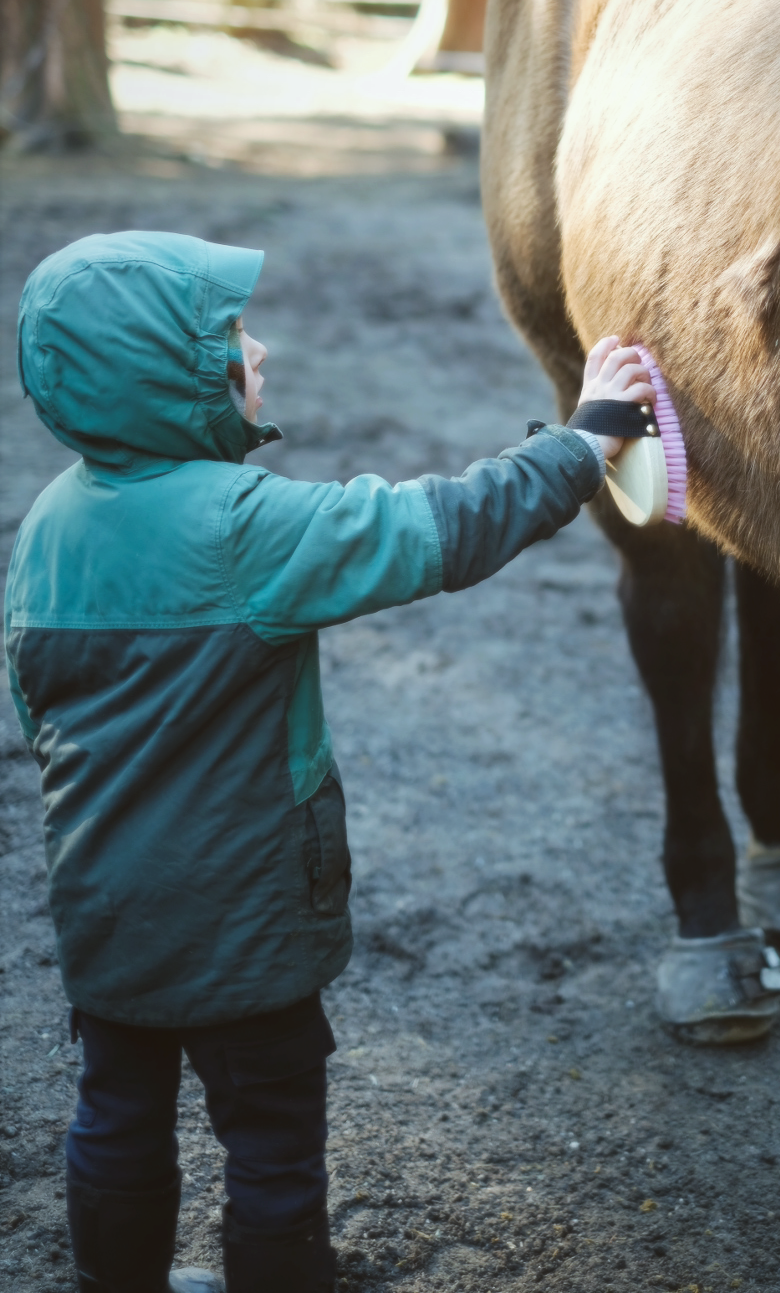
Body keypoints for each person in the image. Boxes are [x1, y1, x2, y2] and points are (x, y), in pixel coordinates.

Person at [4, 231, 656, 1293]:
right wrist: (582, 445)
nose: (257, 348)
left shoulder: (46, 525)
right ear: (164, 373)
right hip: (248, 919)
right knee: (271, 1142)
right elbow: (439, 527)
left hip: (105, 910)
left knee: (115, 1115)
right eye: (228, 335)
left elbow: (35, 706)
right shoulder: (242, 526)